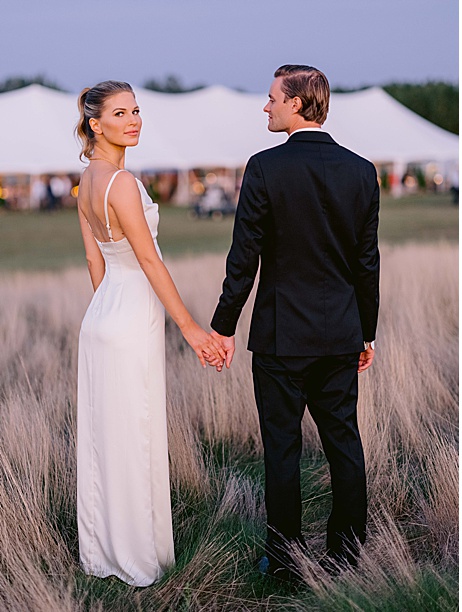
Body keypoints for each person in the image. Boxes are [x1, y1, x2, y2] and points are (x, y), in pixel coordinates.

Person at [209, 65, 379, 580]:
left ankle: (283, 562)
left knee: (282, 452)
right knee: (344, 445)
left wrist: (223, 325)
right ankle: (347, 556)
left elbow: (244, 259)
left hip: (281, 340)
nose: (265, 107)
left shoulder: (263, 168)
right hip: (340, 335)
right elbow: (366, 262)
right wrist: (366, 331)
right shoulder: (361, 170)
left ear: (298, 104)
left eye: (271, 99)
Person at [74, 80, 227, 587]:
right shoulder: (122, 184)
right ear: (97, 124)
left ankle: (104, 554)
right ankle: (138, 557)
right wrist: (190, 328)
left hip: (101, 317)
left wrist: (109, 309)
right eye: (121, 113)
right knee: (134, 435)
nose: (134, 120)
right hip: (129, 317)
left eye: (137, 110)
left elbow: (96, 262)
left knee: (106, 439)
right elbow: (147, 259)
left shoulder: (88, 181)